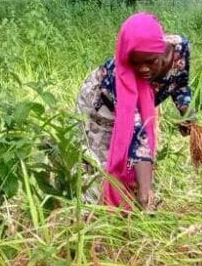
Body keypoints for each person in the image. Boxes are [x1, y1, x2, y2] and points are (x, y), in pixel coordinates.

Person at [76, 12, 194, 209]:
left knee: (137, 173)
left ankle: (134, 204)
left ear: (161, 52)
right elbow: (138, 135)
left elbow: (180, 85)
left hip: (137, 109)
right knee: (98, 169)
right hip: (100, 107)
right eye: (136, 63)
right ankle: (94, 213)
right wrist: (145, 191)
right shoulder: (119, 75)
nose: (143, 69)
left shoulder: (180, 50)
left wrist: (188, 113)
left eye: (150, 61)